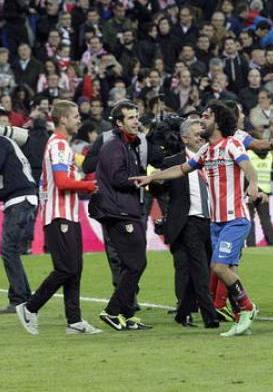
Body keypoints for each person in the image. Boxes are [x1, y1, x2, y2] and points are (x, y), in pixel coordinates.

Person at [132, 101, 263, 337]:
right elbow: (181, 169)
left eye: (206, 116)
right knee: (226, 268)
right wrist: (152, 177)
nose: (202, 120)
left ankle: (247, 308)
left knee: (219, 267)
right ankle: (241, 314)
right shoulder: (206, 151)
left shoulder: (231, 144)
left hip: (235, 218)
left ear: (219, 121)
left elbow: (248, 167)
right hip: (216, 222)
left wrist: (253, 184)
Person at [16, 101, 102, 335]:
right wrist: (89, 186)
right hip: (59, 215)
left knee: (75, 269)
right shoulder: (58, 146)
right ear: (63, 120)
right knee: (66, 268)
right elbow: (63, 183)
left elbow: (74, 171)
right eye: (75, 116)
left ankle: (74, 320)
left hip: (68, 215)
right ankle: (30, 307)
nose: (78, 120)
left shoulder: (62, 146)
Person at [90, 101, 152, 331]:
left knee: (132, 264)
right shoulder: (115, 146)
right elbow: (117, 178)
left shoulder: (127, 145)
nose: (136, 121)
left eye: (137, 116)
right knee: (136, 263)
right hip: (119, 211)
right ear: (118, 122)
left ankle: (126, 313)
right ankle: (112, 311)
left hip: (125, 210)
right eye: (130, 118)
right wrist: (141, 179)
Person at [153, 119, 220, 329]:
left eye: (202, 133)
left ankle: (183, 313)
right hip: (187, 221)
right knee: (200, 270)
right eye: (196, 134)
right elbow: (158, 191)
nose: (201, 137)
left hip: (211, 221)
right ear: (184, 138)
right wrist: (156, 181)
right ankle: (211, 318)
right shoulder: (173, 161)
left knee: (199, 270)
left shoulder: (213, 157)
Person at [0, 116, 40, 315]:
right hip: (24, 199)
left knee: (8, 250)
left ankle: (20, 300)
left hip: (19, 200)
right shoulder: (7, 143)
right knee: (11, 250)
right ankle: (23, 298)